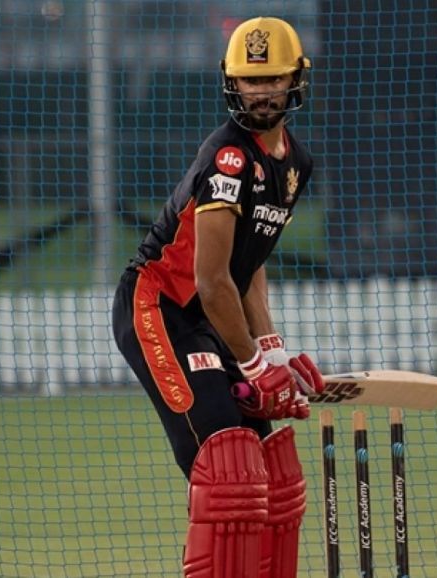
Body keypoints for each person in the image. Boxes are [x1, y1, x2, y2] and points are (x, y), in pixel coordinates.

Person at [112, 16, 324, 578]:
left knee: (274, 476)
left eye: (272, 79)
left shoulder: (295, 165)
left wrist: (274, 354)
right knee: (226, 469)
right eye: (249, 80)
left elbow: (247, 265)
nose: (260, 91)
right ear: (231, 82)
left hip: (209, 317)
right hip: (158, 306)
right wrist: (255, 364)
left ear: (296, 80)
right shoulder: (227, 157)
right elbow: (211, 279)